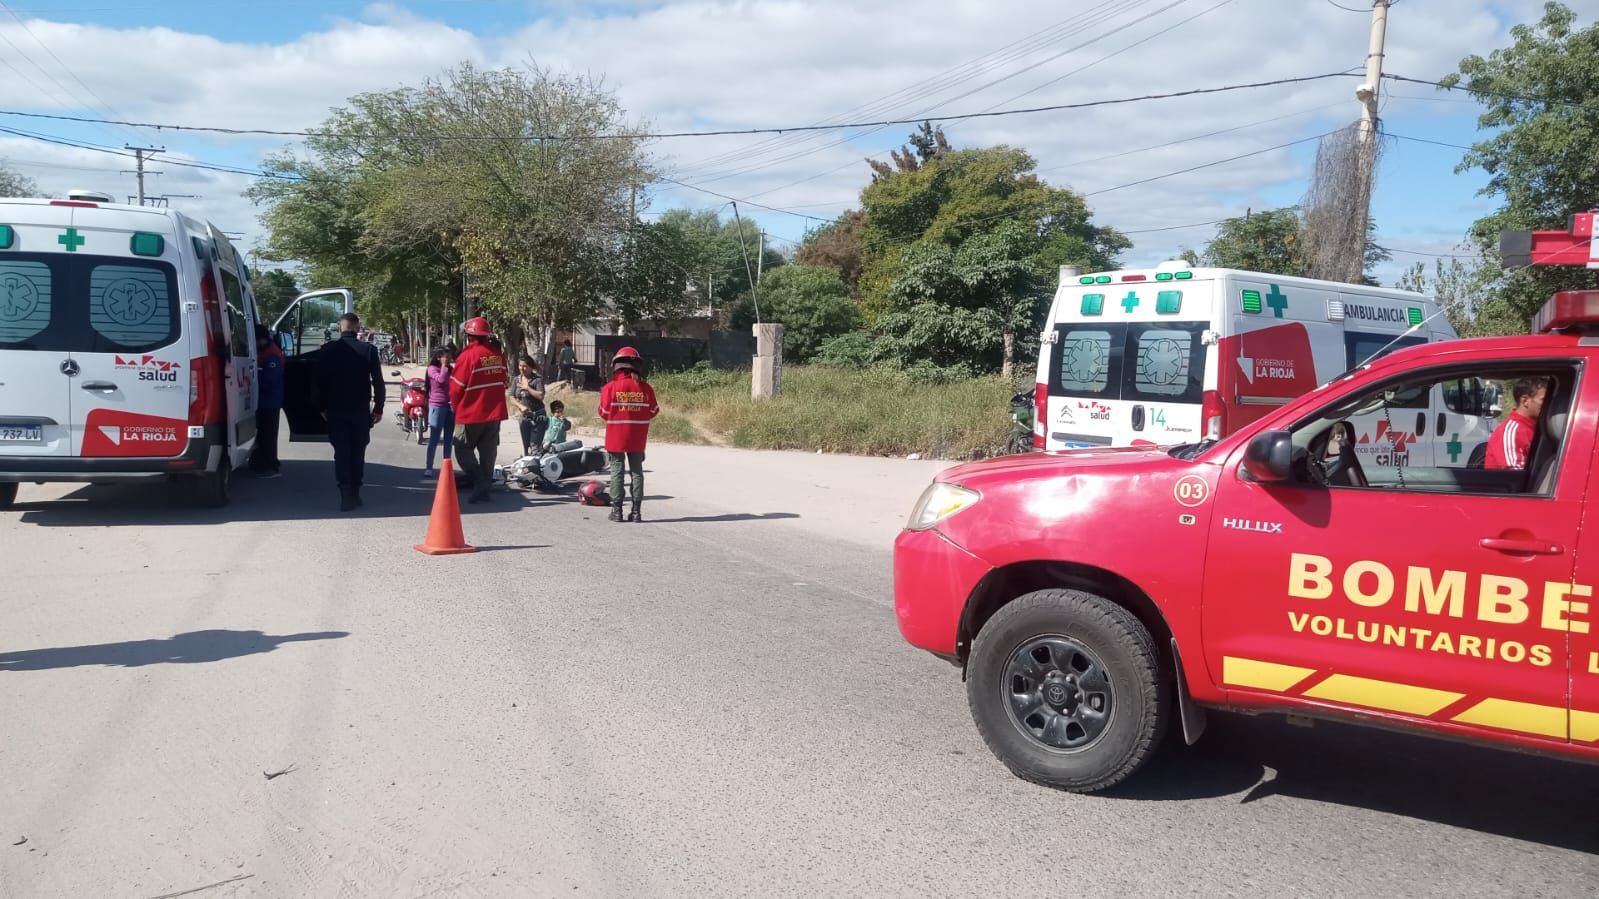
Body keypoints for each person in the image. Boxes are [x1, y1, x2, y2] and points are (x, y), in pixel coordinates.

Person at [317, 313, 385, 511]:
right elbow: (378, 382)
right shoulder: (369, 350)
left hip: (336, 410)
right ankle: (355, 491)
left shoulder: (328, 351)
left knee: (342, 452)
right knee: (358, 451)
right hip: (360, 411)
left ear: (340, 328)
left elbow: (318, 383)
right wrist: (378, 408)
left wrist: (321, 407)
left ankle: (345, 493)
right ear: (357, 328)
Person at [450, 317, 509, 504]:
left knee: (462, 448)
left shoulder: (467, 357)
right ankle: (484, 489)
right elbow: (504, 380)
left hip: (470, 413)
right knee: (488, 452)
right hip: (494, 414)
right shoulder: (497, 356)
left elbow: (455, 389)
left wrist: (457, 408)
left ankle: (480, 482)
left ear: (468, 336)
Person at [597, 346, 659, 523]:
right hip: (637, 436)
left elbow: (603, 411)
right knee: (637, 472)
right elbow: (654, 410)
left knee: (617, 471)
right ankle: (636, 512)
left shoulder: (610, 388)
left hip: (616, 435)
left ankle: (617, 511)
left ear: (617, 365)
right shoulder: (645, 388)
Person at [1485, 376, 1550, 470]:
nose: (1548, 404)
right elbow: (1514, 473)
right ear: (1525, 401)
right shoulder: (1511, 432)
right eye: (1543, 400)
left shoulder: (1540, 427)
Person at [250, 324, 285, 478]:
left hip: (269, 401)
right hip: (263, 401)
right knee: (263, 435)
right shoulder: (264, 351)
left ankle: (270, 466)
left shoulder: (272, 355)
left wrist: (252, 377)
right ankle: (262, 462)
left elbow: (270, 380)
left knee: (267, 436)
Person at [423, 344, 456, 478]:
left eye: (450, 357)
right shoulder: (432, 369)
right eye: (445, 357)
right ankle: (429, 467)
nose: (448, 359)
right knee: (434, 438)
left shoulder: (451, 370)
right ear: (439, 357)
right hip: (437, 406)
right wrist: (443, 366)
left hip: (450, 406)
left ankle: (446, 467)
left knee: (448, 439)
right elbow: (441, 380)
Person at [510, 353, 548, 457]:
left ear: (531, 367)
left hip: (538, 417)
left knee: (534, 446)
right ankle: (527, 466)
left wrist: (528, 388)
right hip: (524, 418)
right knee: (526, 446)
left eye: (525, 366)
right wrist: (520, 406)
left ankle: (536, 466)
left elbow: (541, 395)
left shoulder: (537, 379)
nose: (522, 368)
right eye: (520, 365)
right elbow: (511, 397)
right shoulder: (516, 380)